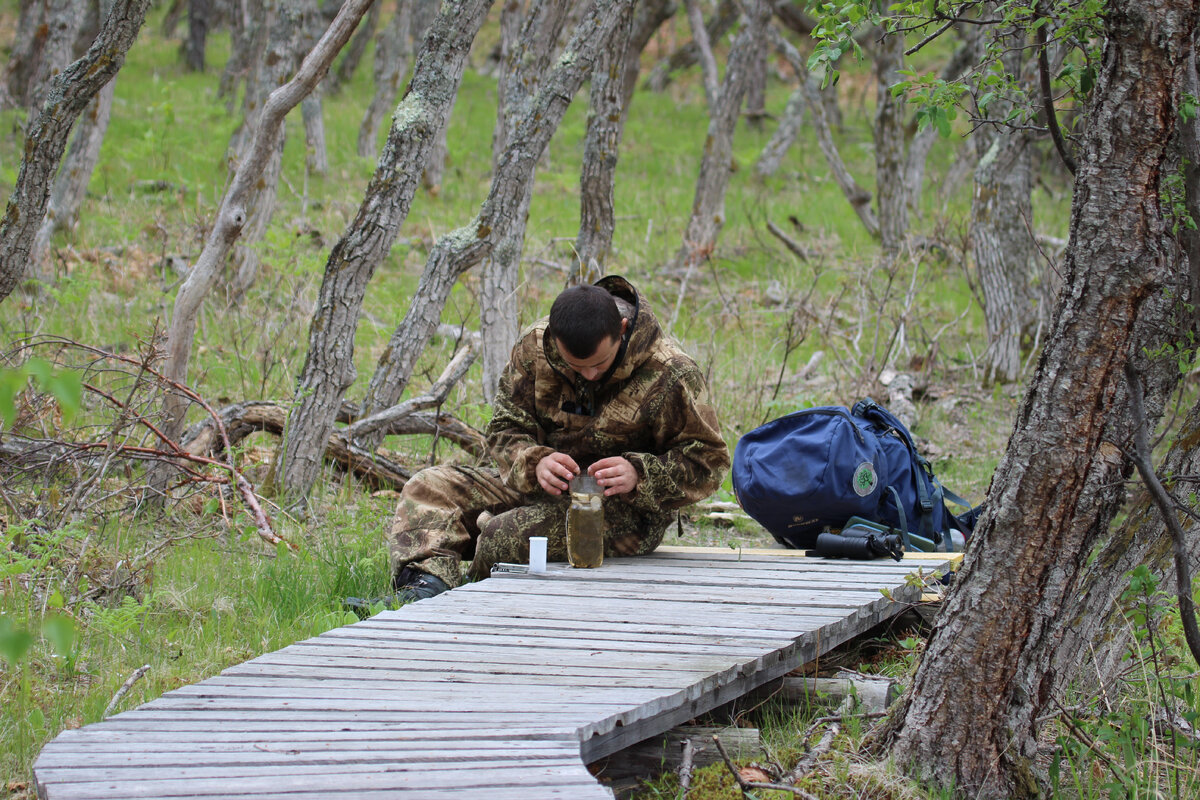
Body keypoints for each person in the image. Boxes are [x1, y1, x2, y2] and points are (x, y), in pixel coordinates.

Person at [376, 274, 730, 604]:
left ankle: (466, 597)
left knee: (504, 535)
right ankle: (423, 589)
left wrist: (639, 473)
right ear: (555, 339)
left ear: (622, 330)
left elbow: (709, 462)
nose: (589, 375)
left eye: (599, 363)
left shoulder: (670, 371)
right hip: (543, 486)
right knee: (428, 488)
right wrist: (535, 462)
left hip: (624, 511)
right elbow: (503, 428)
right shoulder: (535, 347)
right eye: (576, 366)